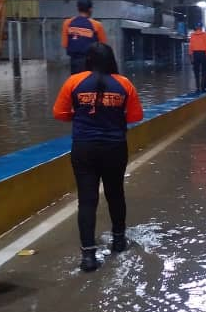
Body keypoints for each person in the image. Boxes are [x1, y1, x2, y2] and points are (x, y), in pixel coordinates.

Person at [53, 43, 143, 272]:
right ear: (112, 59)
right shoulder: (124, 83)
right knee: (115, 193)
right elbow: (135, 116)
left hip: (84, 148)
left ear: (88, 60)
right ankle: (119, 241)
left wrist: (82, 114)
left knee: (87, 199)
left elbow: (60, 114)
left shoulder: (74, 82)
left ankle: (88, 257)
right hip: (115, 147)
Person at [62, 0, 108, 75]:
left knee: (76, 84)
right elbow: (103, 47)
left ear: (78, 8)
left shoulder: (67, 23)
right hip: (92, 65)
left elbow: (65, 44)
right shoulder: (97, 25)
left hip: (74, 63)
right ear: (90, 9)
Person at [189, 23, 206, 92]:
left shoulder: (192, 35)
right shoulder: (205, 34)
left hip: (195, 54)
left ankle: (197, 88)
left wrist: (191, 56)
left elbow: (191, 46)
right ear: (201, 27)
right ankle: (202, 87)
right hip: (203, 54)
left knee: (196, 72)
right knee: (204, 71)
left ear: (196, 27)